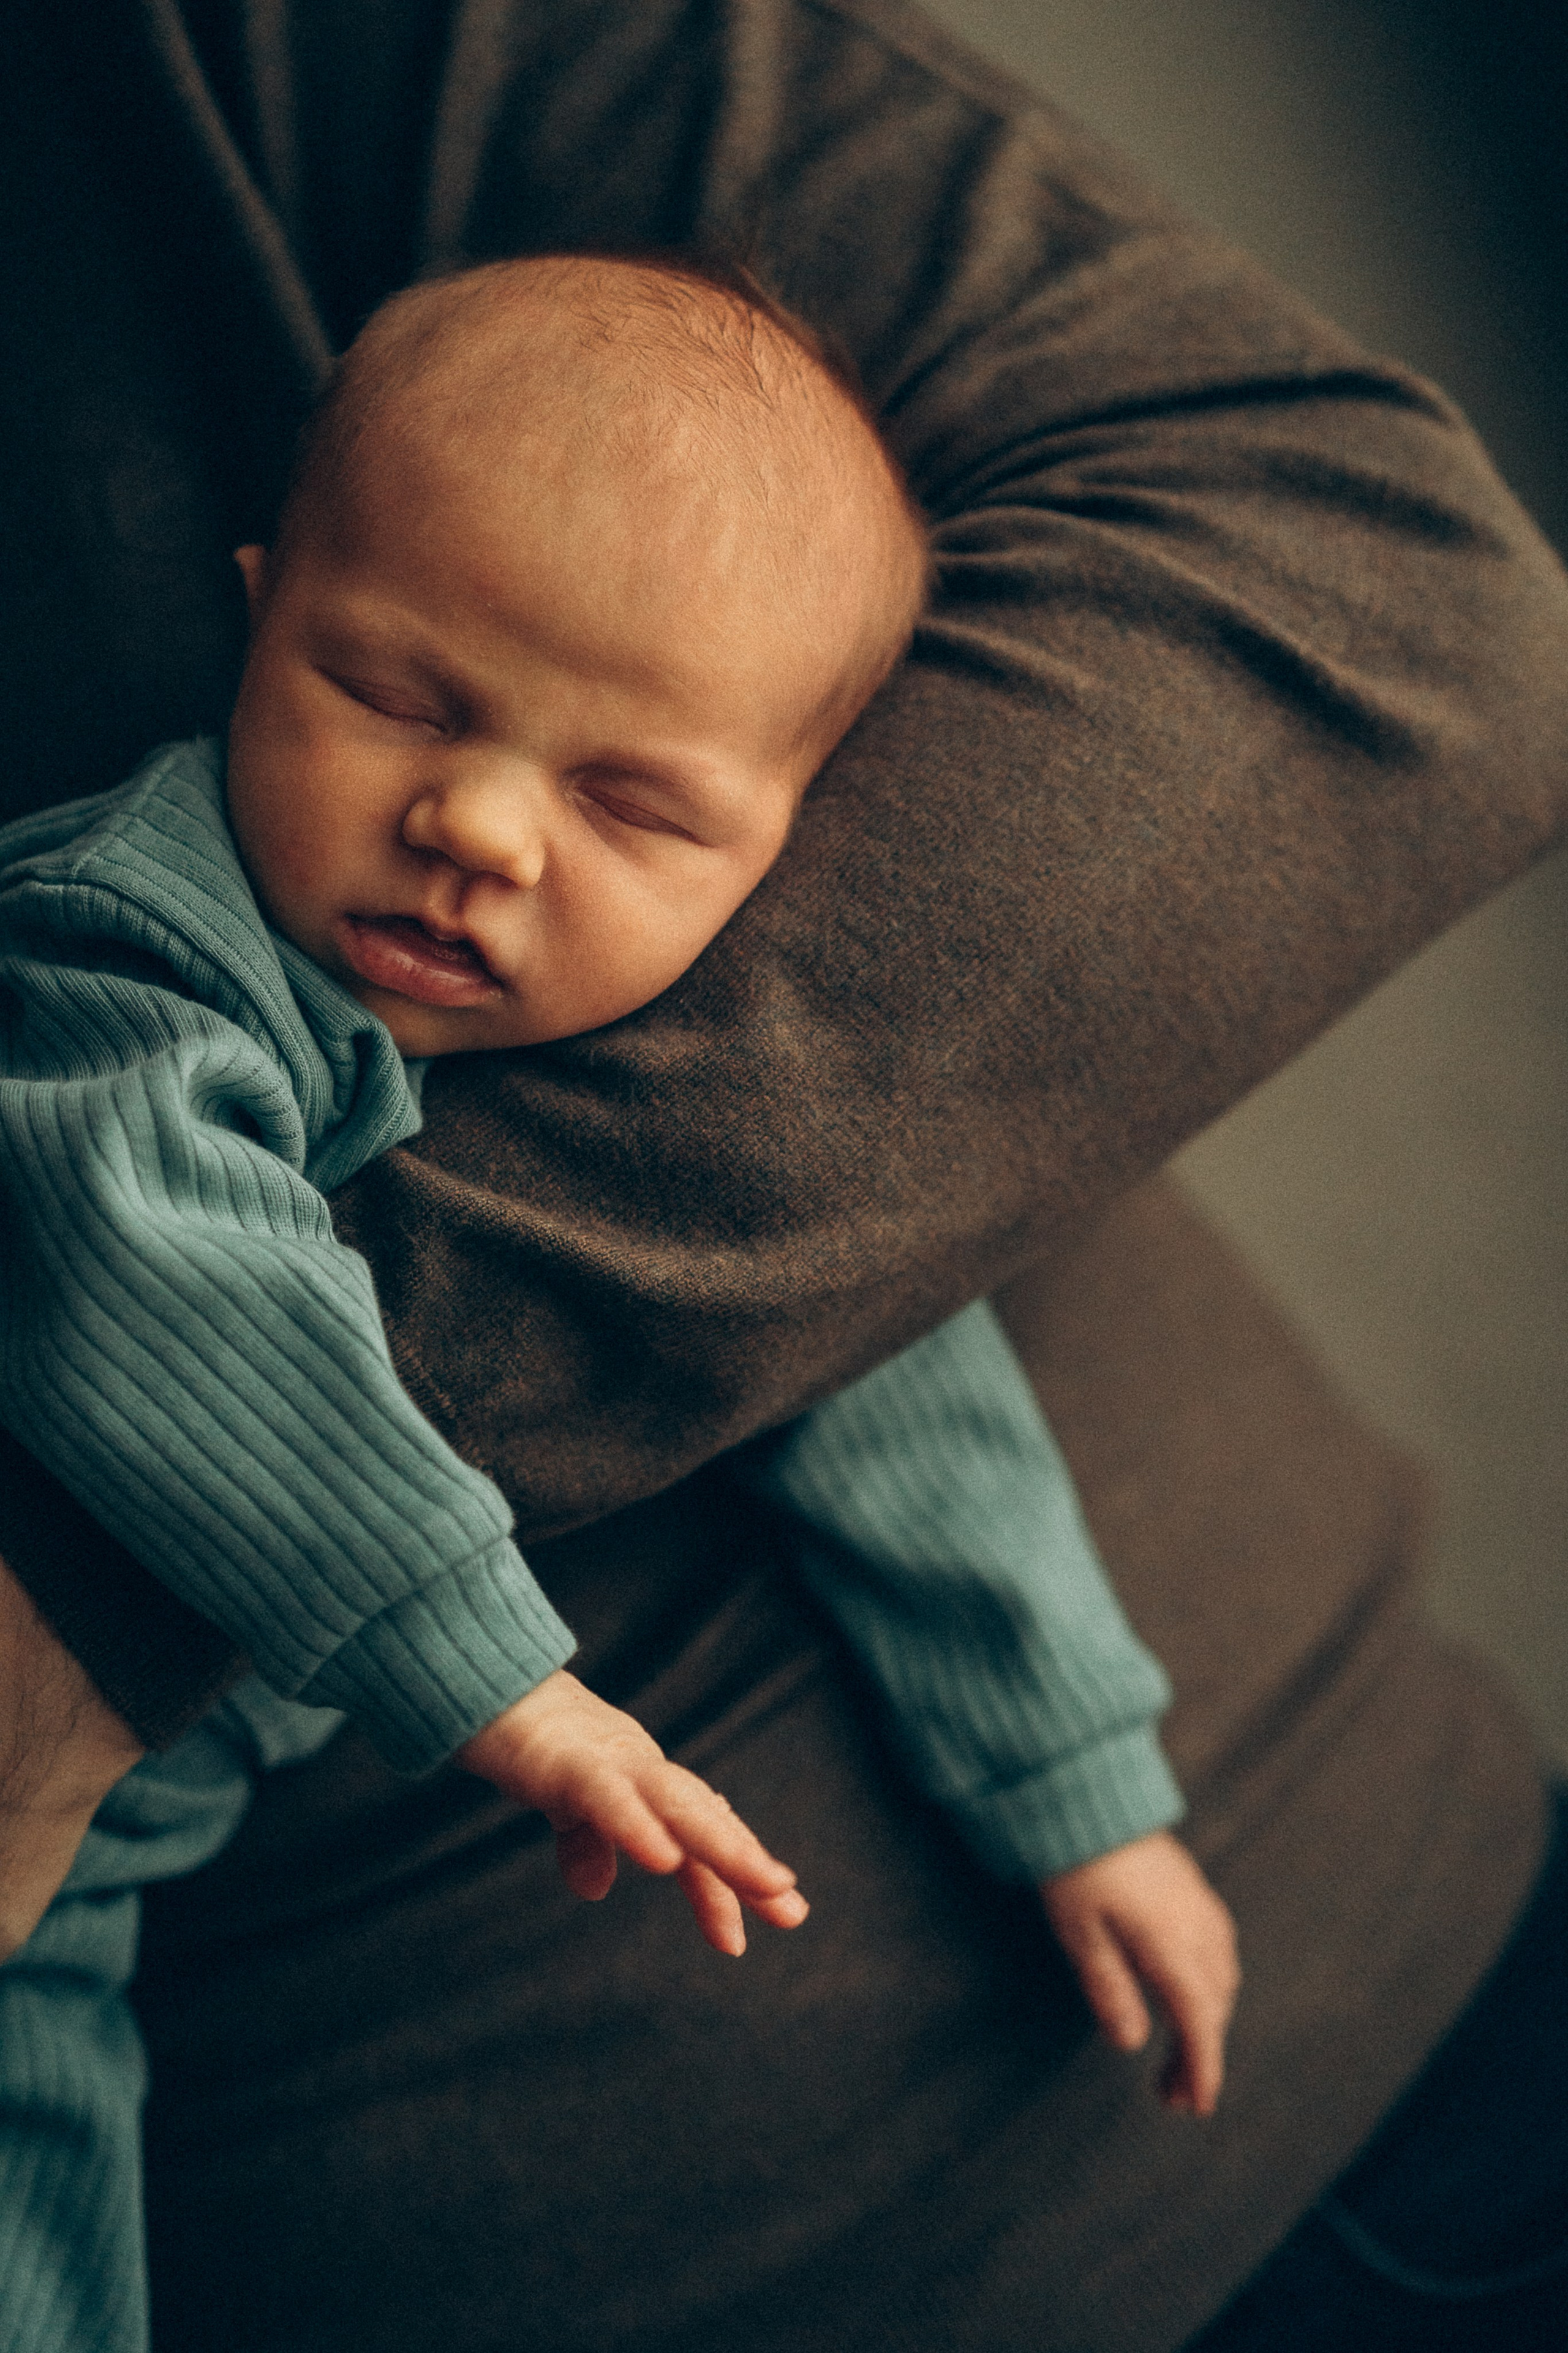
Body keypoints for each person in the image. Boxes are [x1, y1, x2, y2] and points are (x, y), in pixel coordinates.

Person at [1, 2, 1566, 2347]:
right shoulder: (129, 935)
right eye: (393, 692)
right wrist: (500, 1677)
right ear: (253, 608)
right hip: (137, 1889)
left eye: (634, 804)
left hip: (1325, 2048)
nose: (480, 824)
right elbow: (157, 1274)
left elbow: (888, 1377)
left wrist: (1076, 1777)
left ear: (797, 841)